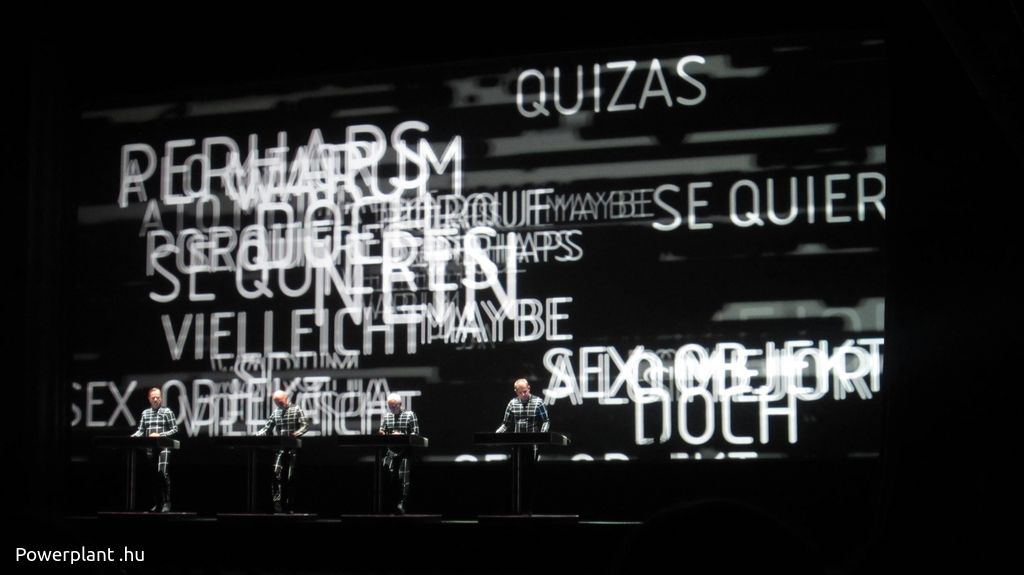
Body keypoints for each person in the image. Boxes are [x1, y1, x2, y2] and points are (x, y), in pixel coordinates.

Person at [495, 378, 550, 513]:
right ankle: (516, 509)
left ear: (529, 388)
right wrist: (496, 434)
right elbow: (506, 424)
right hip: (517, 445)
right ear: (516, 392)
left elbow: (546, 421)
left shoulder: (538, 402)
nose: (523, 394)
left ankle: (530, 508)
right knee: (516, 475)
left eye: (525, 391)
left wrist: (541, 435)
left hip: (532, 445)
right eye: (520, 392)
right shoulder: (512, 403)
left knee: (531, 475)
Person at [255, 389, 308, 513]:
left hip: (293, 449)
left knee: (290, 477)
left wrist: (295, 434)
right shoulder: (276, 412)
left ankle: (290, 506)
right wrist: (256, 436)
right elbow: (267, 428)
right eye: (276, 402)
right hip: (280, 449)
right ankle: (277, 506)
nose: (278, 404)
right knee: (275, 475)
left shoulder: (296, 409)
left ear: (285, 398)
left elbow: (305, 426)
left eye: (279, 401)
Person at [131, 387, 178, 512]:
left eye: (158, 397)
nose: (156, 400)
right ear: (149, 399)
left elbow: (175, 429)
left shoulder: (167, 412)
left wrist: (160, 435)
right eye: (153, 398)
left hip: (164, 447)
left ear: (161, 398)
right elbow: (140, 430)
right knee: (153, 476)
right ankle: (158, 503)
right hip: (150, 449)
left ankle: (167, 502)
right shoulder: (145, 413)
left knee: (162, 473)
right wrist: (132, 437)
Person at [377, 393, 420, 514]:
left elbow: (415, 434)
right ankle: (387, 504)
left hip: (404, 453)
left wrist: (401, 436)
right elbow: (382, 431)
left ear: (400, 404)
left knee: (403, 479)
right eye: (389, 406)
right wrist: (382, 433)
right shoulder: (387, 416)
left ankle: (401, 503)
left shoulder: (410, 415)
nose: (391, 408)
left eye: (394, 406)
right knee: (386, 476)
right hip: (390, 452)